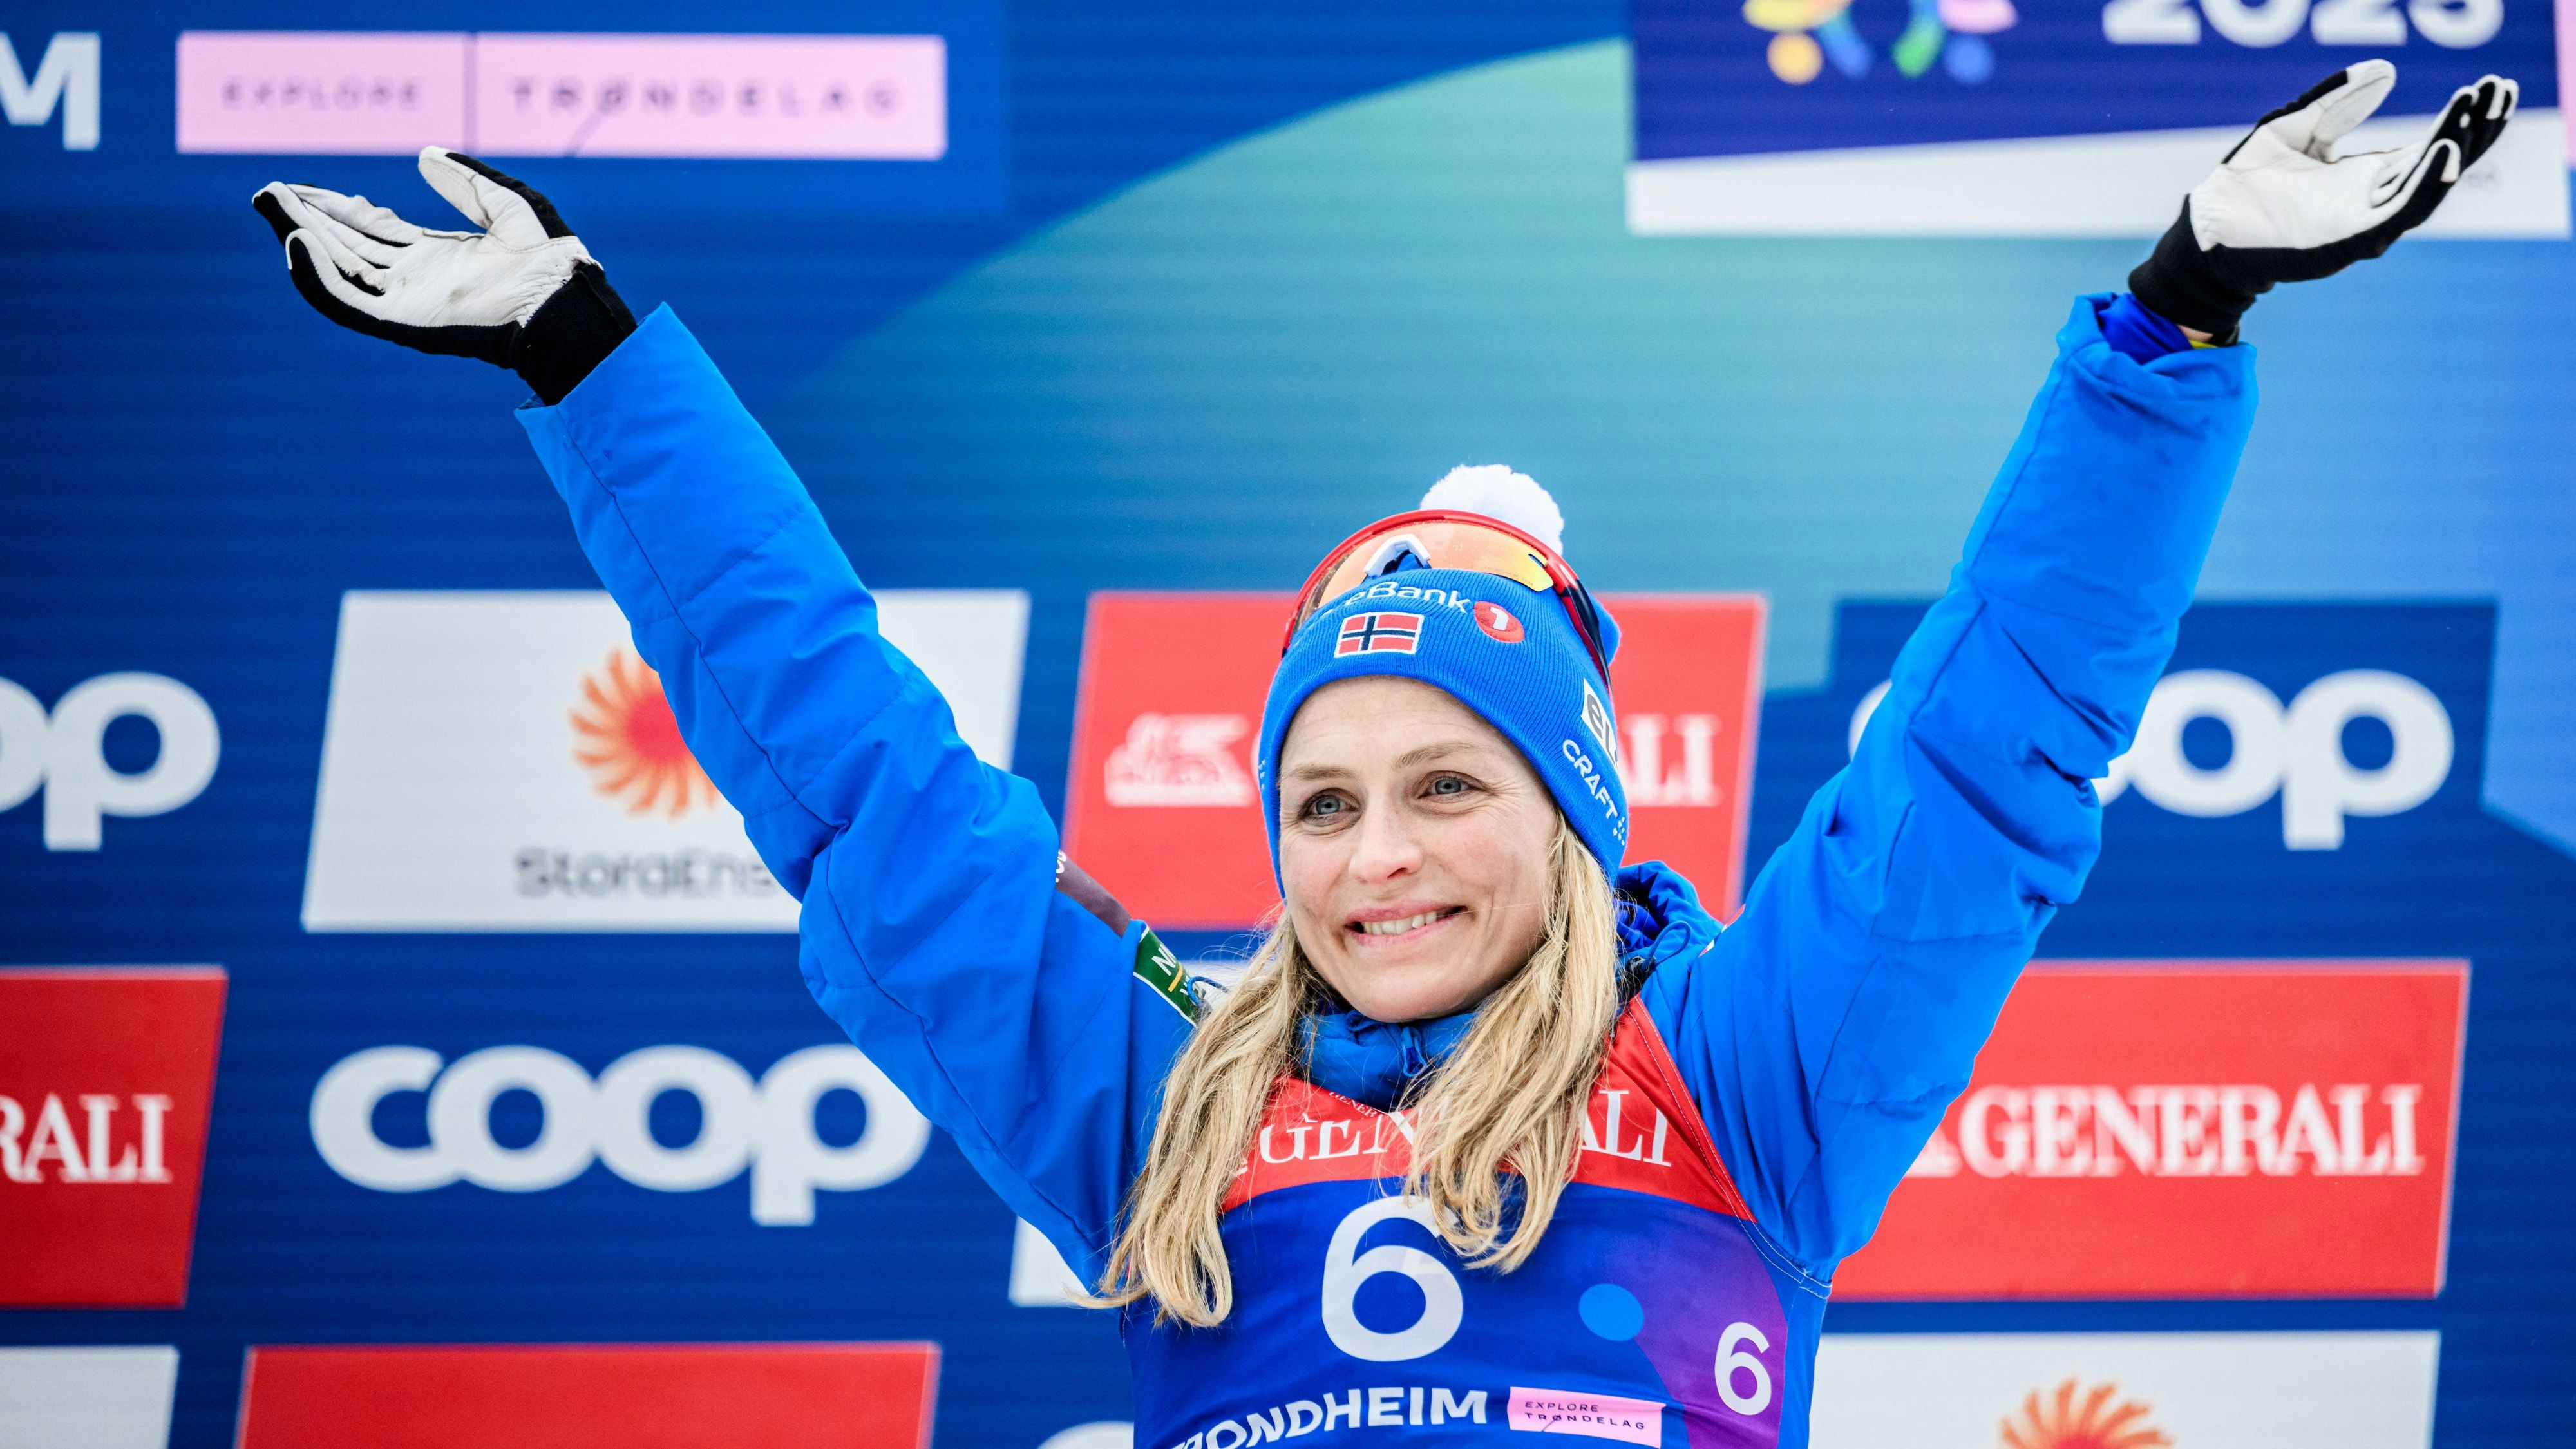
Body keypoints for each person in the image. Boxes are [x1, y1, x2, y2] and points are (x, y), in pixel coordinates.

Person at [254, 62, 2513, 1446]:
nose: (1377, 860)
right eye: (1321, 801)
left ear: (1574, 806)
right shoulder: (1167, 1108)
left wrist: (2178, 314)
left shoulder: (1747, 1079)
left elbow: (1996, 750)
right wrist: (582, 353)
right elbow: (857, 777)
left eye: (1451, 785)